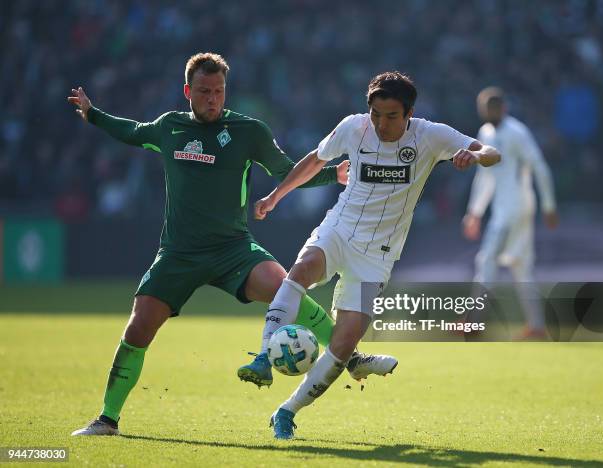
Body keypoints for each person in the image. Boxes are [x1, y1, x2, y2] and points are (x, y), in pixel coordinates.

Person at [68, 52, 389, 436]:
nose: (212, 99)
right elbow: (132, 131)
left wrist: (330, 176)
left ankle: (351, 357)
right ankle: (107, 419)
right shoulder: (169, 128)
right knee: (138, 330)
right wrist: (92, 113)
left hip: (232, 248)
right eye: (204, 91)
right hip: (178, 253)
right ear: (188, 91)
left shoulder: (247, 130)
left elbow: (286, 170)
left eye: (219, 91)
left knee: (284, 284)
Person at [252, 71, 501, 439]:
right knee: (301, 270)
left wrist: (474, 156)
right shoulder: (354, 128)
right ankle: (262, 356)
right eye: (376, 115)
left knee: (343, 343)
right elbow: (315, 160)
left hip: (378, 255)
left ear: (409, 113)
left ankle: (287, 410)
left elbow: (492, 152)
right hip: (339, 229)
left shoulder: (430, 135)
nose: (382, 124)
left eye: (391, 117)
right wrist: (275, 197)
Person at [463, 87, 558, 339]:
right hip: (504, 209)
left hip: (516, 207)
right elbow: (485, 177)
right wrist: (474, 211)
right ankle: (537, 326)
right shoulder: (485, 133)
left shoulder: (517, 132)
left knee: (487, 260)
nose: (490, 111)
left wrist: (549, 205)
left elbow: (539, 166)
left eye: (494, 107)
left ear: (503, 107)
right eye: (485, 107)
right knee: (521, 266)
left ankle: (474, 321)